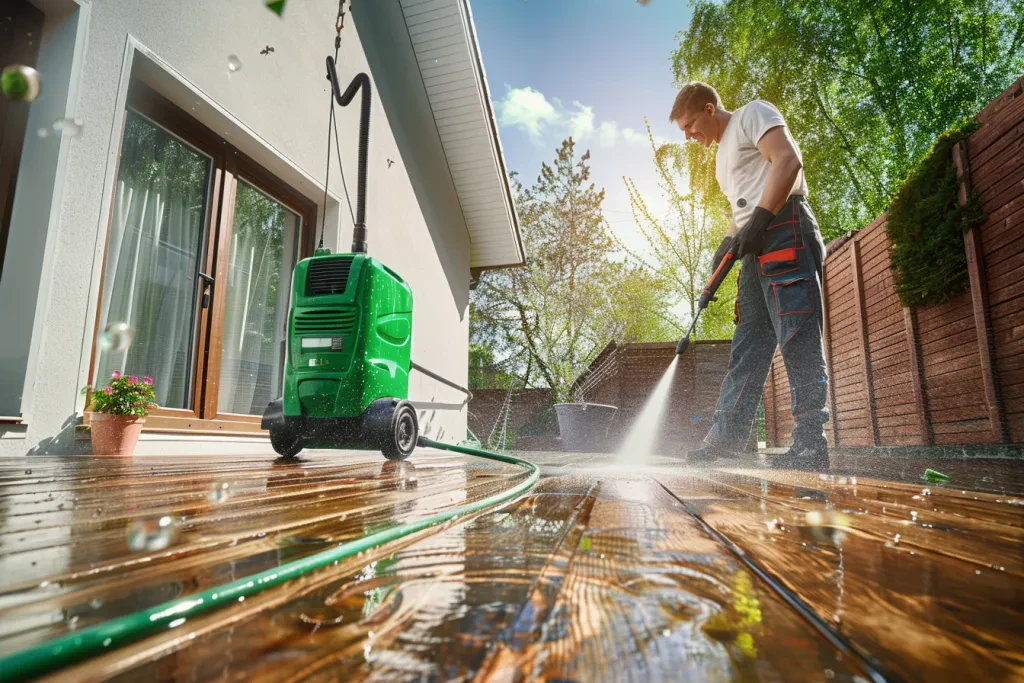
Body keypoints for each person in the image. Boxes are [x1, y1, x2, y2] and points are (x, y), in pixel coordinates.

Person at [669, 82, 829, 468]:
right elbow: (742, 210)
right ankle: (726, 438)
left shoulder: (751, 114)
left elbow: (787, 161)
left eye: (690, 125)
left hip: (785, 228)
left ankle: (811, 441)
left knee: (797, 334)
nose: (689, 136)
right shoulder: (722, 158)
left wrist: (760, 221)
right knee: (747, 347)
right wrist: (726, 246)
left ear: (709, 109)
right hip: (756, 248)